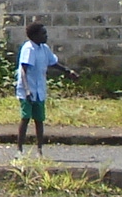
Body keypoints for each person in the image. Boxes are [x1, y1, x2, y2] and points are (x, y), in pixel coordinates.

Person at [15, 21, 78, 152]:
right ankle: (19, 149)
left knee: (39, 119)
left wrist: (68, 71)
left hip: (39, 90)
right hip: (28, 90)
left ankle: (39, 149)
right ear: (34, 36)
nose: (46, 36)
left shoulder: (44, 49)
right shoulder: (29, 49)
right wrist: (27, 90)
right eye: (43, 34)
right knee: (25, 117)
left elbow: (53, 63)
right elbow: (23, 70)